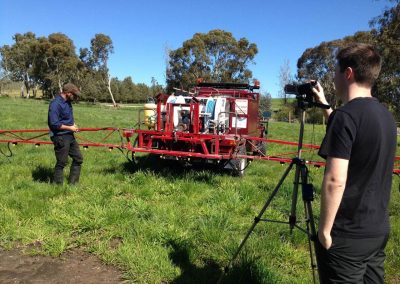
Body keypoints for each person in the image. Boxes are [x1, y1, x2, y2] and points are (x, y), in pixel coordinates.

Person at [312, 43, 397, 283]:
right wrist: (326, 105)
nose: (334, 77)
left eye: (336, 72)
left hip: (347, 235)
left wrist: (325, 231)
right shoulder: (386, 117)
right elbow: (354, 137)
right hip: (377, 229)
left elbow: (335, 180)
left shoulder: (347, 117)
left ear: (347, 73)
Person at [48, 83, 83, 185]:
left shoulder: (68, 102)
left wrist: (74, 125)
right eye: (74, 94)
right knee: (62, 162)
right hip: (60, 136)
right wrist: (70, 127)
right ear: (67, 93)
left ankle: (73, 184)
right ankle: (58, 186)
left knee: (78, 158)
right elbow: (54, 124)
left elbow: (67, 119)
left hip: (69, 135)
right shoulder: (55, 104)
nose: (75, 96)